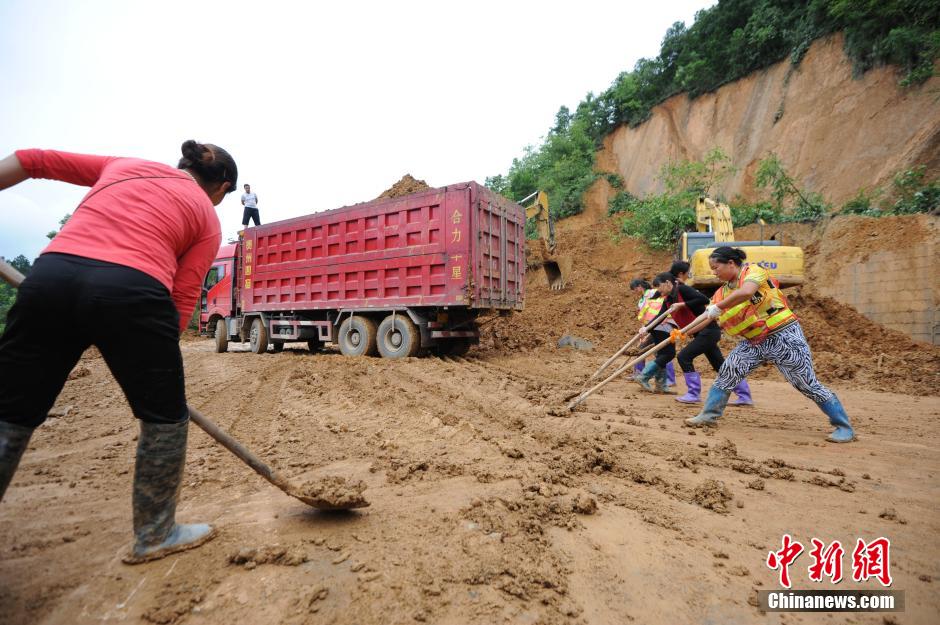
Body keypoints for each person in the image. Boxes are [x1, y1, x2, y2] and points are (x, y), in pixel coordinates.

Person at [0, 140, 239, 562]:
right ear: (221, 187)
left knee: (10, 410)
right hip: (133, 290)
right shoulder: (206, 216)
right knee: (165, 416)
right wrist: (156, 364)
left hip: (51, 278)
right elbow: (183, 297)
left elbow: (32, 160)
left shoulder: (124, 165)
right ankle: (155, 533)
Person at [685, 247, 855, 443]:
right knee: (729, 370)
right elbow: (707, 315)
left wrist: (719, 307)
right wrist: (684, 331)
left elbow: (746, 292)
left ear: (731, 263)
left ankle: (844, 427)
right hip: (754, 341)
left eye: (716, 268)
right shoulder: (722, 292)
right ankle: (708, 416)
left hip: (784, 336)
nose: (714, 272)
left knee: (806, 383)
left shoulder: (753, 271)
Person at [650, 272, 752, 405]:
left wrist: (682, 305)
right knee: (719, 364)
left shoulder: (682, 289)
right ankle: (744, 395)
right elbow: (660, 317)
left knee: (684, 357)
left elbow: (703, 299)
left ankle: (693, 394)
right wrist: (645, 329)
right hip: (700, 333)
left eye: (659, 286)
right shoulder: (668, 300)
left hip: (709, 330)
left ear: (668, 283)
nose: (659, 290)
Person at [629, 278, 676, 386]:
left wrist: (648, 327)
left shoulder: (652, 293)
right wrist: (645, 329)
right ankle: (644, 375)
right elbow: (645, 315)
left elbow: (662, 309)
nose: (634, 292)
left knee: (663, 353)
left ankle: (667, 379)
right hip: (651, 327)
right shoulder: (642, 299)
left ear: (640, 287)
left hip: (662, 325)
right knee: (660, 353)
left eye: (635, 289)